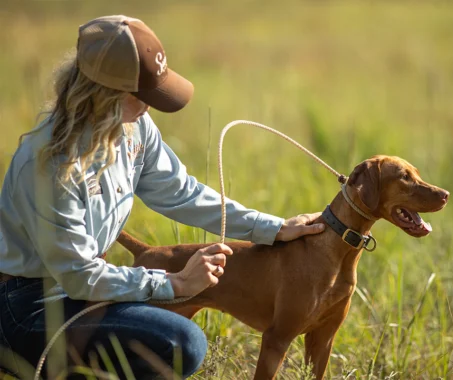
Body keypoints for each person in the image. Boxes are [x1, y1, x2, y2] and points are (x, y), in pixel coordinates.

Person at [0, 15, 325, 379]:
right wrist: (175, 283)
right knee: (179, 343)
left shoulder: (133, 125)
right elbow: (79, 275)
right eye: (142, 97)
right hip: (28, 305)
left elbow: (182, 192)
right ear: (102, 94)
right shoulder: (51, 164)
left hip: (82, 292)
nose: (149, 107)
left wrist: (274, 228)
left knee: (174, 339)